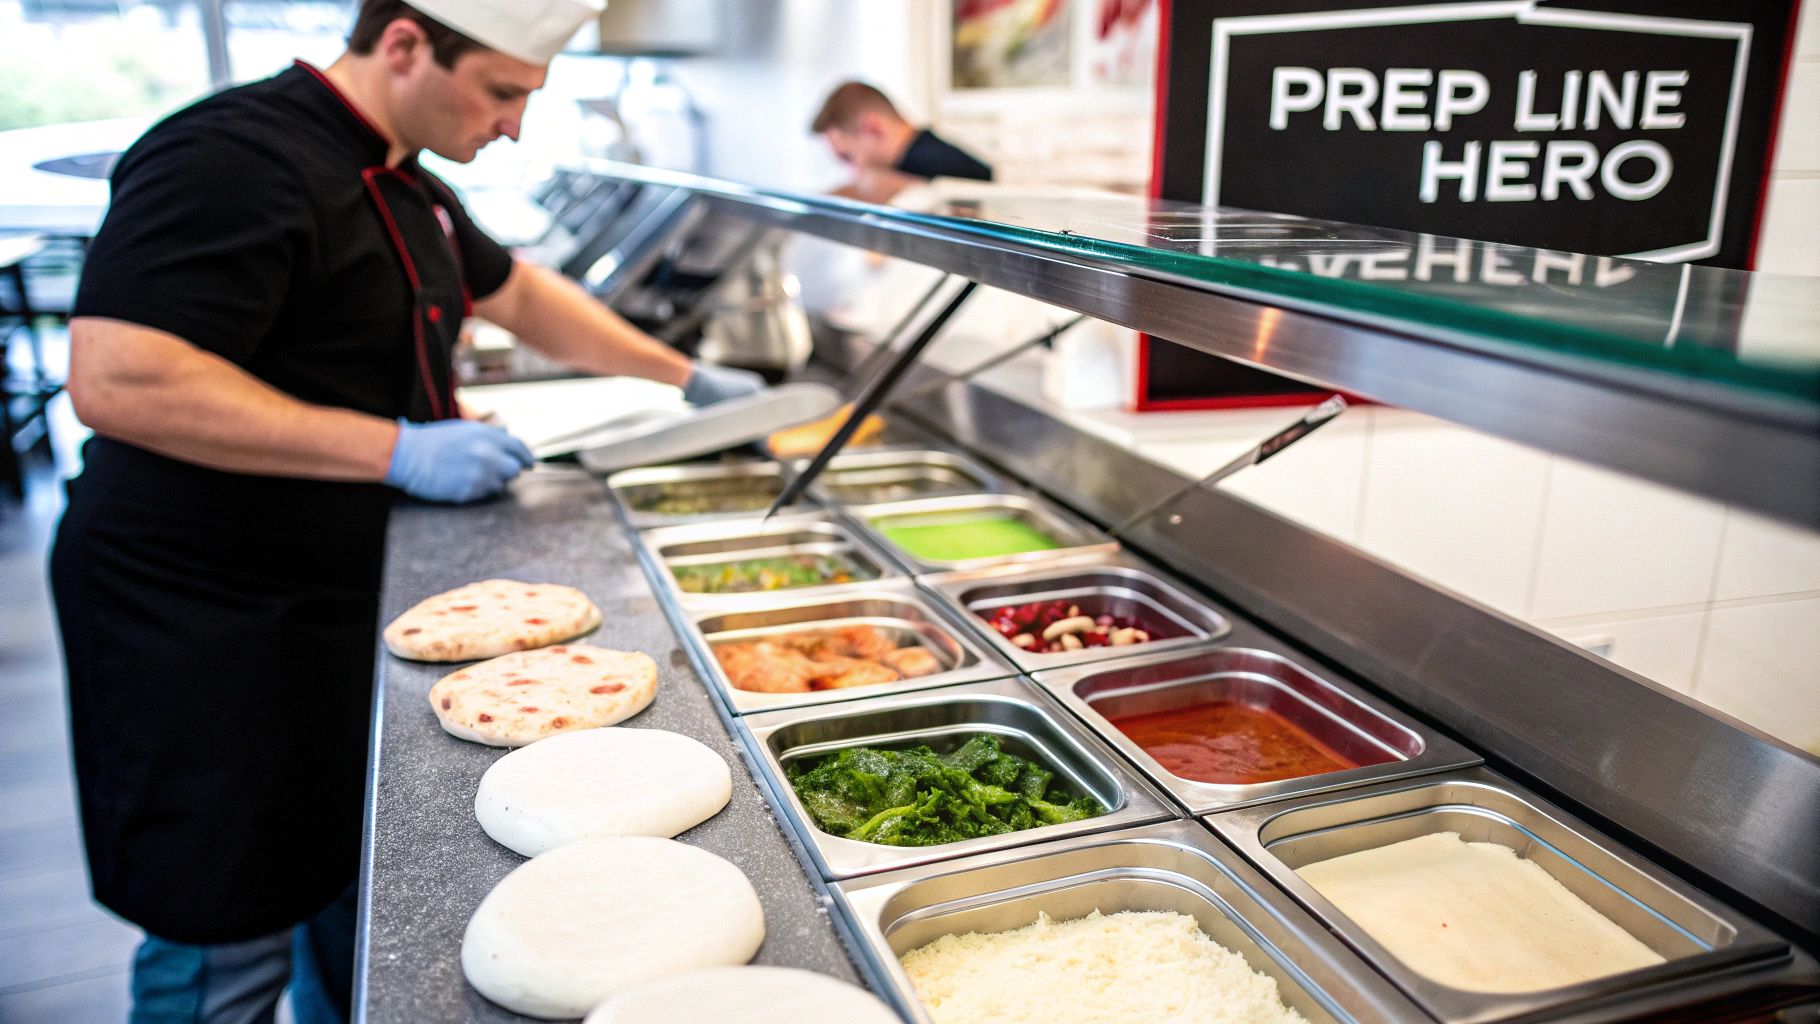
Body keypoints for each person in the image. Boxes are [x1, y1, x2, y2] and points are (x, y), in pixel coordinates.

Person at [48, 1, 762, 1021]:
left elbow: (516, 292)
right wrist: (395, 447)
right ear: (402, 46)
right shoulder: (227, 157)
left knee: (341, 874)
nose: (514, 124)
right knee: (224, 914)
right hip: (205, 609)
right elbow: (122, 380)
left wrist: (683, 375)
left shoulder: (399, 176)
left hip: (327, 590)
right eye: (503, 92)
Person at [810, 81, 993, 204]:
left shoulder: (950, 171)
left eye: (848, 157)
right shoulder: (910, 166)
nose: (854, 172)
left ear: (873, 128)